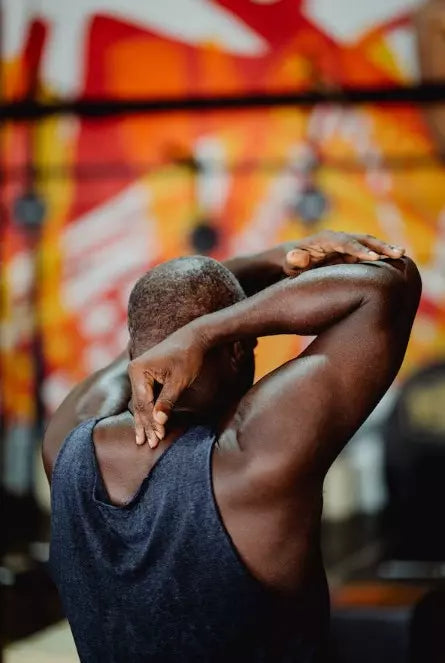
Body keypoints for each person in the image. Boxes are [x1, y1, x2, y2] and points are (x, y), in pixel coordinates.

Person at [43, 230, 421, 663]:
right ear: (239, 349)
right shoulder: (253, 457)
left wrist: (260, 265)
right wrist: (207, 332)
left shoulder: (64, 442)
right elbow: (388, 283)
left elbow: (142, 345)